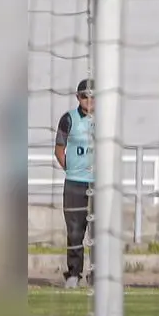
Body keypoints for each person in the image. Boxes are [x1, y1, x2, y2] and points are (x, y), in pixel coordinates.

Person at [54, 79, 95, 288]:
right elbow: (59, 149)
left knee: (99, 232)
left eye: (93, 96)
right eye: (84, 96)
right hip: (75, 184)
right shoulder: (68, 119)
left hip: (98, 185)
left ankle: (97, 275)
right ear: (78, 97)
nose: (89, 100)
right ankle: (73, 274)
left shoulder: (106, 120)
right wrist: (71, 169)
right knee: (75, 231)